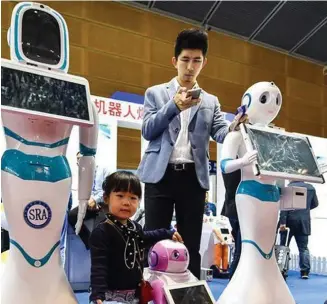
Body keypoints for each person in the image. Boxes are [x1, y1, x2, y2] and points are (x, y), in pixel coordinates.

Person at [137, 28, 245, 279]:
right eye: (185, 60)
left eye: (196, 60)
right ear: (174, 61)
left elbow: (221, 133)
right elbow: (148, 130)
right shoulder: (156, 93)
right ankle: (152, 292)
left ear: (204, 63)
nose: (190, 67)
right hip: (159, 176)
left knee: (191, 245)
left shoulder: (211, 101)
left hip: (193, 179)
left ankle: (190, 294)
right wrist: (173, 106)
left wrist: (236, 125)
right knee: (155, 239)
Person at [89, 171, 183, 304]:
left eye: (133, 198)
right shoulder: (102, 231)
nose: (126, 202)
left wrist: (166, 233)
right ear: (106, 198)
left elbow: (146, 237)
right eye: (120, 196)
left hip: (136, 294)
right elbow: (99, 267)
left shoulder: (135, 227)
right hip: (111, 297)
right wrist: (97, 295)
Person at [68, 152, 111, 249]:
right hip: (89, 205)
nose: (80, 162)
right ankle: (89, 243)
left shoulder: (104, 169)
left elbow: (109, 191)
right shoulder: (81, 174)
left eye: (82, 159)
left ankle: (98, 247)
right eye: (78, 160)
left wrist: (95, 200)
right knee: (71, 216)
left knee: (98, 229)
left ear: (92, 159)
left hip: (103, 205)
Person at [279, 181, 319, 279]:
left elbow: (284, 208)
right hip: (303, 222)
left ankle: (283, 270)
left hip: (289, 221)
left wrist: (282, 222)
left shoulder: (288, 188)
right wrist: (304, 210)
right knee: (303, 248)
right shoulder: (310, 188)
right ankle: (305, 272)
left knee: (284, 247)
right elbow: (315, 203)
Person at [220, 169, 242, 279]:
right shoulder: (237, 167)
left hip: (232, 209)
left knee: (240, 247)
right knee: (240, 248)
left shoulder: (228, 168)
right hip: (238, 209)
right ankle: (233, 277)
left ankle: (233, 277)